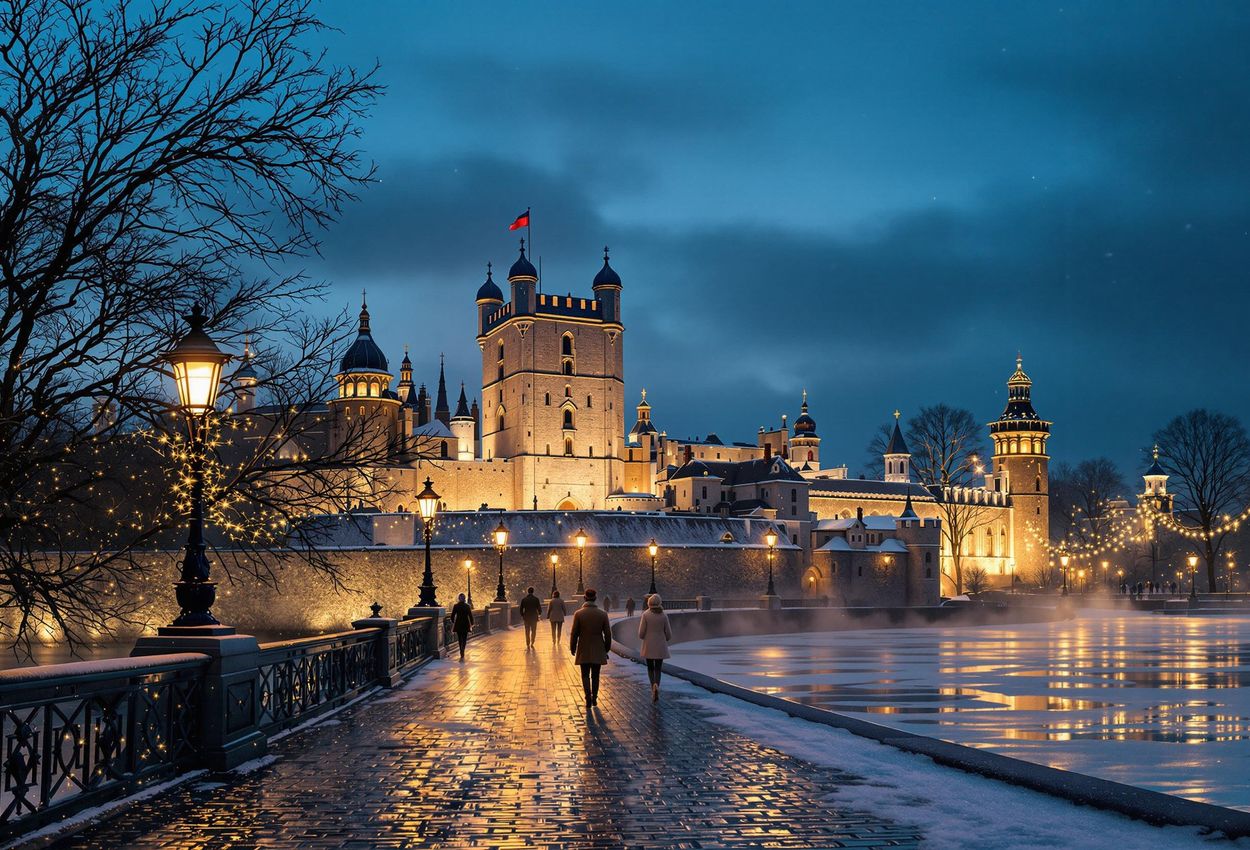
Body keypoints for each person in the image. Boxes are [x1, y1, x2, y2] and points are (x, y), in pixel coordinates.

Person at [570, 588, 612, 707]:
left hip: (583, 647)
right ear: (595, 598)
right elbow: (608, 634)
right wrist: (606, 648)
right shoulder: (603, 614)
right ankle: (595, 697)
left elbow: (574, 633)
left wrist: (573, 647)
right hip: (598, 647)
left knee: (584, 674)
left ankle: (587, 697)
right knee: (595, 675)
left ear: (584, 598)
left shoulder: (578, 614)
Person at [638, 593, 672, 702]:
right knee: (658, 668)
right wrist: (665, 638)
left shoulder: (646, 615)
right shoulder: (663, 615)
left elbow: (641, 633)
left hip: (648, 645)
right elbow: (668, 633)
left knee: (650, 668)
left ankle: (652, 685)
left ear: (649, 603)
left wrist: (644, 637)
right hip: (660, 645)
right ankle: (657, 685)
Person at [449, 593, 474, 661]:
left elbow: (452, 616)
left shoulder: (456, 606)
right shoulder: (467, 606)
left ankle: (461, 650)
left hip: (458, 624)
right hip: (466, 624)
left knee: (460, 638)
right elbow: (470, 616)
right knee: (464, 638)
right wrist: (472, 623)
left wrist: (453, 622)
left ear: (459, 598)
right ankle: (463, 649)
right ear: (464, 598)